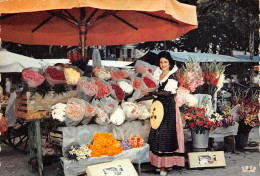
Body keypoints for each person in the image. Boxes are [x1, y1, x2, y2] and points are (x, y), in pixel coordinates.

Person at [137, 51, 184, 176]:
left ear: (170, 63)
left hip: (168, 107)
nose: (163, 65)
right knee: (156, 133)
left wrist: (151, 93)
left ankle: (165, 166)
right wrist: (141, 97)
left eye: (165, 62)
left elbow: (167, 93)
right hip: (158, 105)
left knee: (165, 135)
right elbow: (154, 90)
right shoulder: (157, 73)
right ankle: (158, 163)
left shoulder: (172, 76)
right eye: (161, 62)